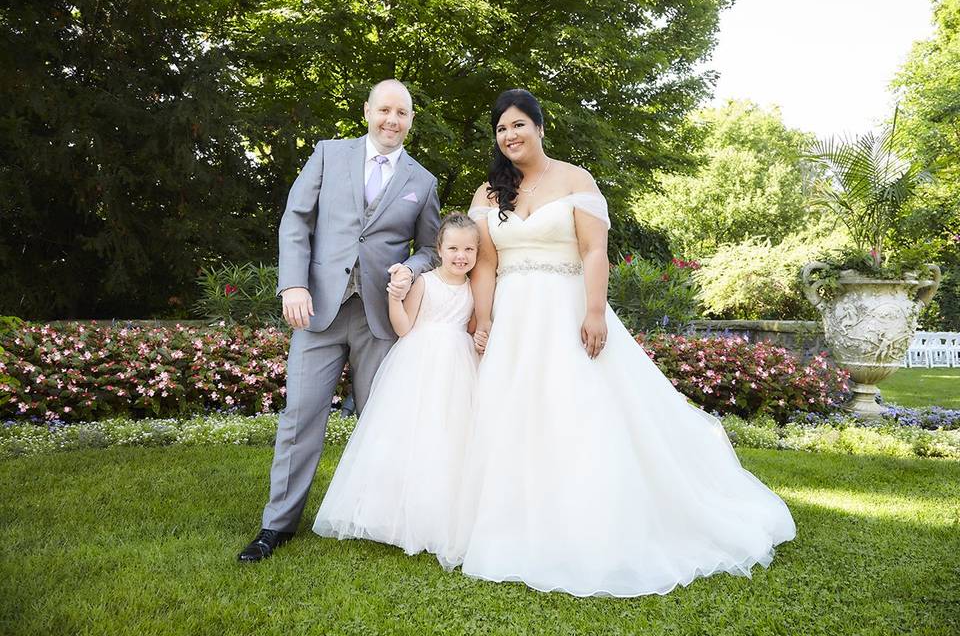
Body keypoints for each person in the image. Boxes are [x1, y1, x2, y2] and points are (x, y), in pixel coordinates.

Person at [441, 89, 796, 596]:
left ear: (540, 128)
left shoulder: (574, 179)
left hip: (566, 309)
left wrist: (592, 311)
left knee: (578, 412)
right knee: (514, 414)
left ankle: (588, 519)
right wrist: (483, 320)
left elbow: (593, 252)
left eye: (519, 124)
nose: (510, 135)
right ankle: (513, 522)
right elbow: (488, 265)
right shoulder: (487, 193)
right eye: (501, 129)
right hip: (513, 317)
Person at [238, 79, 441, 562]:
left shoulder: (422, 180)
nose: (392, 120)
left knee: (382, 422)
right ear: (368, 111)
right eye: (385, 110)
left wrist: (408, 270)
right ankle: (277, 525)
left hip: (381, 319)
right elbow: (296, 220)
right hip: (319, 311)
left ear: (411, 121)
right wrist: (293, 284)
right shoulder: (329, 154)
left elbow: (431, 248)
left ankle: (380, 519)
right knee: (301, 417)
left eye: (403, 114)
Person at [313, 213, 481, 554]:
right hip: (418, 362)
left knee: (450, 435)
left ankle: (439, 516)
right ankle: (389, 512)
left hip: (457, 365)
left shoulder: (473, 288)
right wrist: (393, 298)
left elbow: (471, 325)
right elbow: (404, 327)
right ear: (439, 249)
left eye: (468, 249)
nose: (461, 255)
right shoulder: (426, 281)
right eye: (453, 248)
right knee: (409, 434)